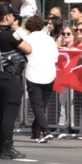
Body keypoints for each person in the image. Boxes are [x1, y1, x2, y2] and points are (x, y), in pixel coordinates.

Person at [0, 4, 33, 160]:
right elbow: (28, 49)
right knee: (9, 114)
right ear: (7, 17)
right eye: (13, 15)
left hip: (1, 76)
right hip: (11, 77)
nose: (15, 18)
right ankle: (8, 148)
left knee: (1, 113)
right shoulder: (9, 35)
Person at [23, 15, 57, 143]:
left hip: (34, 74)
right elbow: (55, 57)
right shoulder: (49, 39)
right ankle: (36, 131)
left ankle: (45, 130)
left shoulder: (27, 38)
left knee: (37, 105)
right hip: (49, 74)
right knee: (42, 105)